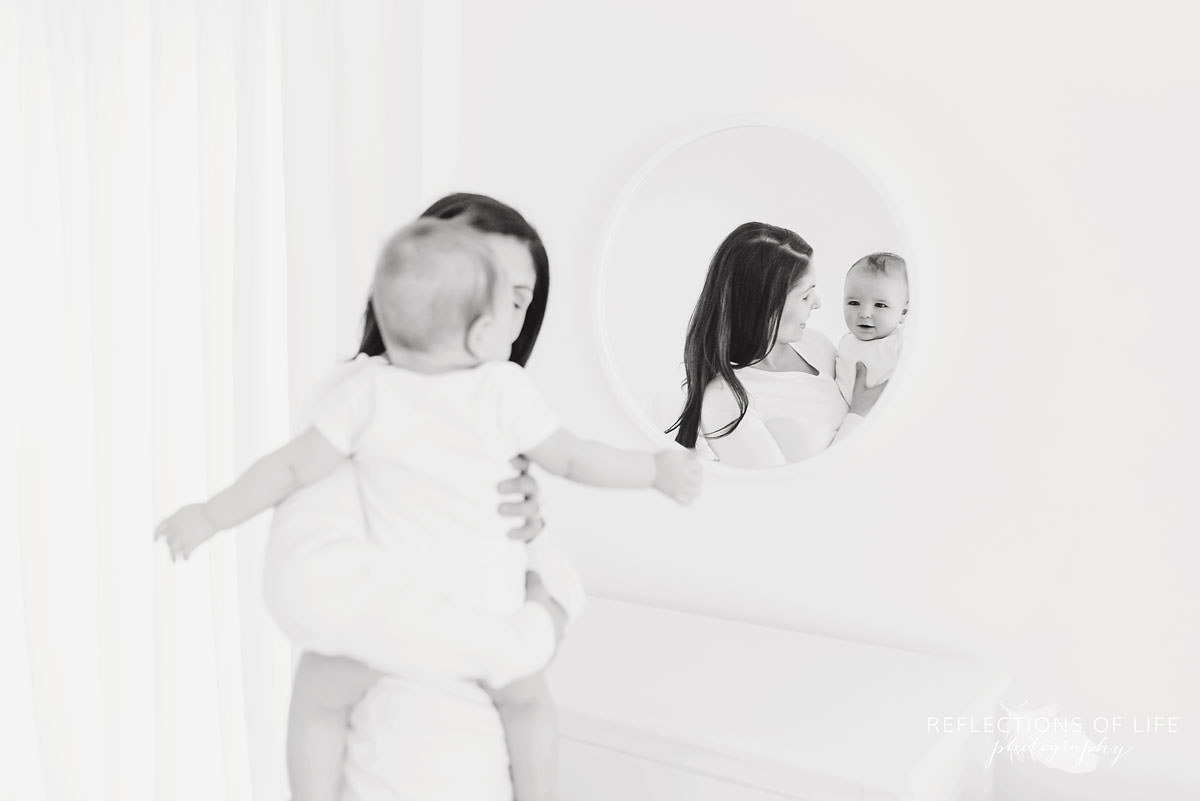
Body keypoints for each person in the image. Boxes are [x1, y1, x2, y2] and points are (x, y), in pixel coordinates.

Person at [156, 216, 702, 801]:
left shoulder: (367, 397)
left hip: (395, 610)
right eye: (506, 305)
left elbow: (288, 468)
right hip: (486, 612)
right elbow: (573, 458)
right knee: (528, 700)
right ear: (478, 333)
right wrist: (653, 470)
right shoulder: (502, 391)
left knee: (318, 688)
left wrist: (210, 515)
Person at [668, 222, 888, 468]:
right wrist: (858, 416)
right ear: (766, 306)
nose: (817, 303)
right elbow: (782, 498)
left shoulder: (816, 345)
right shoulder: (725, 400)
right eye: (805, 295)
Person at [834, 252, 908, 406]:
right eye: (854, 303)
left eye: (880, 305)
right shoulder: (845, 342)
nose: (865, 314)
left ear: (903, 312)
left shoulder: (900, 344)